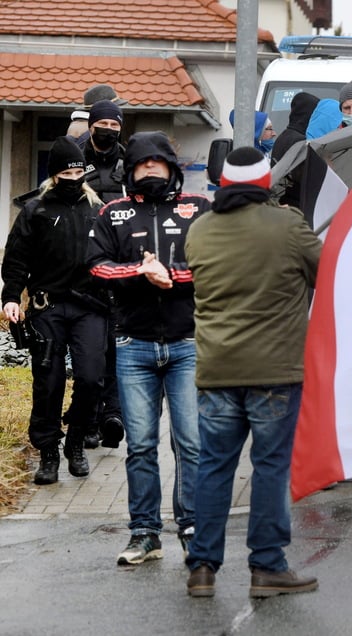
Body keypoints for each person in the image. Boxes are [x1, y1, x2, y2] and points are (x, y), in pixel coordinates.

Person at [184, 147, 320, 598]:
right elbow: (326, 271)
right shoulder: (287, 226)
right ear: (266, 183)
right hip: (275, 370)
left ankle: (202, 567)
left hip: (216, 367)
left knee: (213, 467)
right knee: (269, 467)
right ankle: (267, 566)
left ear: (223, 182)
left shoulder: (200, 229)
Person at [87, 131, 211, 566]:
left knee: (190, 443)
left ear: (173, 168)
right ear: (131, 170)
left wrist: (170, 276)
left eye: (159, 161)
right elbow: (96, 267)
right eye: (143, 163)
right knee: (139, 445)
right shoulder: (112, 213)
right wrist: (142, 273)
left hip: (187, 343)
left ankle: (193, 528)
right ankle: (144, 533)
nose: (151, 168)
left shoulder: (199, 208)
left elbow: (216, 264)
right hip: (133, 345)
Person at [1, 137, 108, 485]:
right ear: (53, 175)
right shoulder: (36, 210)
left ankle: (76, 439)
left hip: (91, 307)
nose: (73, 176)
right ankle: (48, 452)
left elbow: (114, 254)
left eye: (78, 170)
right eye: (65, 171)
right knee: (48, 382)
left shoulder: (98, 208)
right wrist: (12, 296)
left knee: (91, 378)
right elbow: (16, 258)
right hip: (48, 306)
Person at [68, 98, 128, 449]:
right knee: (89, 353)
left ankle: (113, 415)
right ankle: (87, 421)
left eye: (115, 126)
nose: (108, 131)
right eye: (103, 124)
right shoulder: (74, 159)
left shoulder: (128, 159)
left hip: (118, 266)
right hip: (80, 269)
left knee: (116, 347)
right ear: (91, 125)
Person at [270, 92, 320, 208]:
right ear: (309, 114)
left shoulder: (284, 136)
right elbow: (304, 178)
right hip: (295, 205)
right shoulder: (300, 141)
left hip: (283, 202)